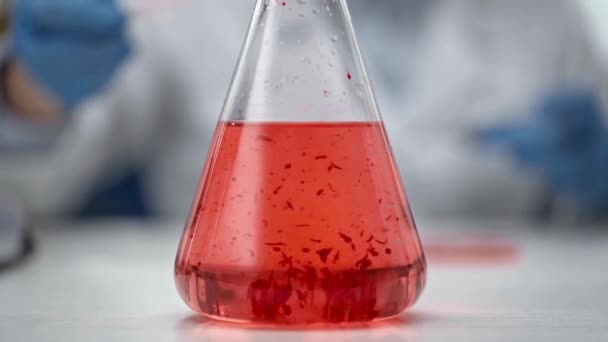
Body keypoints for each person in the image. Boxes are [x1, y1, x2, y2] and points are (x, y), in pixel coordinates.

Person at [0, 0, 606, 222]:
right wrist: (31, 93)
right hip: (239, 318)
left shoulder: (543, 15)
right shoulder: (190, 15)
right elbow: (42, 189)